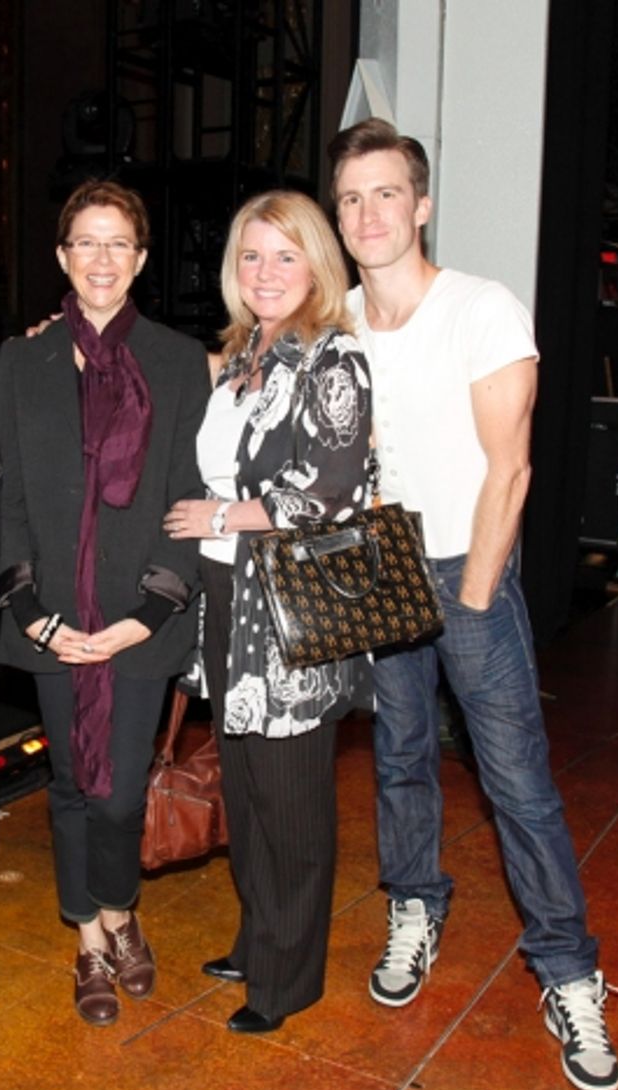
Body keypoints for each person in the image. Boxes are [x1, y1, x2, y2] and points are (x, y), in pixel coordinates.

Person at [328, 117, 618, 1090]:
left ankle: (567, 972)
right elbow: (240, 363)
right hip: (381, 563)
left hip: (467, 566)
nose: (368, 212)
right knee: (399, 757)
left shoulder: (481, 309)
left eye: (385, 193)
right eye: (351, 197)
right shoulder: (337, 323)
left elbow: (511, 468)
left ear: (420, 205)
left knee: (516, 783)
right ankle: (414, 902)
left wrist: (473, 596)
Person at [0, 180, 210, 1026]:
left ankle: (121, 912)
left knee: (119, 792)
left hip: (138, 616)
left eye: (118, 242)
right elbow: (9, 494)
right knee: (71, 785)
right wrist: (30, 610)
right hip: (52, 615)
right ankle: (89, 939)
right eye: (85, 241)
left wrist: (145, 616)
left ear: (142, 258)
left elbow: (190, 494)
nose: (102, 258)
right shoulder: (24, 360)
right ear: (62, 256)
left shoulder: (177, 361)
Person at [163, 190, 373, 1034]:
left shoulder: (332, 358)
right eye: (251, 255)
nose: (266, 271)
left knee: (290, 804)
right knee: (245, 790)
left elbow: (331, 493)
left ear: (317, 265)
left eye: (286, 255)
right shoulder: (245, 352)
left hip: (291, 603)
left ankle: (288, 981)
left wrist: (220, 516)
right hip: (229, 596)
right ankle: (259, 940)